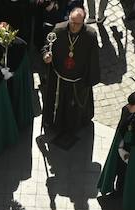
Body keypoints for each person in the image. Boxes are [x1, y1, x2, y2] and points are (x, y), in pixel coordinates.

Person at [41, 9, 101, 143]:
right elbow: (46, 46)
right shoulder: (58, 29)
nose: (74, 26)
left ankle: (74, 126)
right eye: (72, 22)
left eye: (78, 24)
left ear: (83, 22)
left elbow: (93, 58)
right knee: (58, 103)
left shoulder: (90, 35)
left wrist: (89, 79)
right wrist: (46, 56)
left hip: (78, 80)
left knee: (74, 106)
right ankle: (55, 124)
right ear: (69, 18)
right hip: (59, 78)